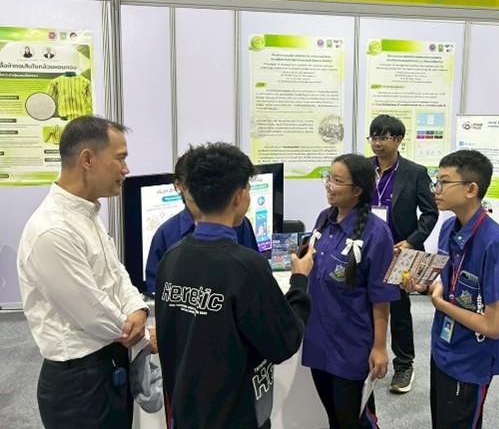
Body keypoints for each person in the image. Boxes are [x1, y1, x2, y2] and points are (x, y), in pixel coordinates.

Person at [155, 143, 313, 429]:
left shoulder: (171, 258)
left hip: (185, 411)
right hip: (235, 415)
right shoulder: (246, 266)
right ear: (240, 196)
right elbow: (283, 343)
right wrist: (299, 282)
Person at [17, 115, 149, 429]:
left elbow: (116, 273)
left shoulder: (85, 213)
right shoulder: (53, 229)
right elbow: (91, 313)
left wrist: (138, 308)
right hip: (79, 384)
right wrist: (142, 334)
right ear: (87, 160)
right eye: (120, 159)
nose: (126, 169)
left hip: (108, 364)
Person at [403, 149, 499, 429]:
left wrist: (441, 305)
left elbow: (493, 326)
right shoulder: (449, 227)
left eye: (443, 182)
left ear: (471, 189)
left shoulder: (493, 242)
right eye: (435, 182)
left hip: (470, 358)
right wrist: (424, 286)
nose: (435, 190)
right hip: (443, 347)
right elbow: (446, 283)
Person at [302, 153, 400, 428]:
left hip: (351, 345)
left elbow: (381, 298)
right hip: (319, 338)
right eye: (328, 177)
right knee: (332, 417)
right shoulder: (324, 218)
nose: (328, 185)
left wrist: (379, 347)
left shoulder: (377, 233)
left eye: (336, 180)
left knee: (353, 420)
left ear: (356, 190)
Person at [367, 114, 438, 393]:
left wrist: (411, 241)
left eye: (383, 137)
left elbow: (430, 213)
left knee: (398, 309)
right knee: (364, 304)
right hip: (368, 248)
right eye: (373, 136)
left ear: (398, 140)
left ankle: (404, 364)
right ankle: (368, 357)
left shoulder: (415, 172)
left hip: (400, 250)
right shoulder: (363, 169)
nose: (377, 143)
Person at [144, 150, 259, 293]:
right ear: (179, 185)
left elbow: (254, 273)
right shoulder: (166, 233)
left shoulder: (240, 223)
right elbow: (156, 289)